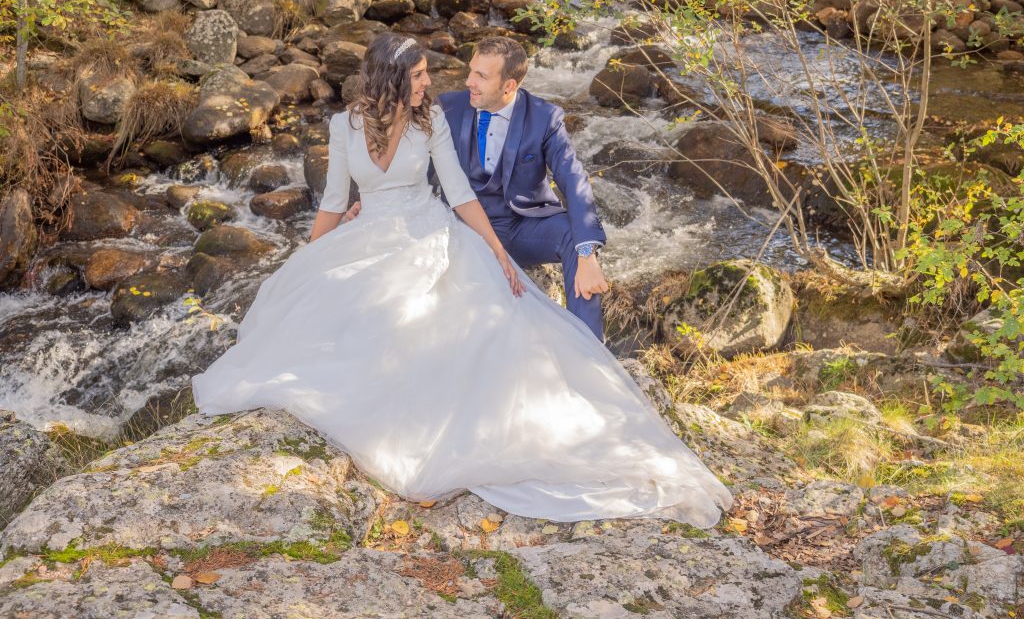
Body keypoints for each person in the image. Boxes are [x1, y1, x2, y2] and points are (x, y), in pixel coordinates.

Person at [192, 33, 732, 527]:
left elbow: (467, 191)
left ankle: (587, 356)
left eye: (458, 74)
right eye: (421, 74)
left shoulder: (454, 120)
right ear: (393, 79)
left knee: (489, 305)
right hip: (375, 232)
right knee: (362, 316)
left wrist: (497, 253)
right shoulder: (349, 125)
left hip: (451, 229)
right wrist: (311, 261)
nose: (438, 81)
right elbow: (335, 201)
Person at [436, 36, 609, 340]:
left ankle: (589, 348)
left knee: (576, 238)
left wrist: (587, 254)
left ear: (509, 86)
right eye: (471, 70)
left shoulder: (544, 118)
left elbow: (573, 178)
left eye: (481, 76)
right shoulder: (448, 108)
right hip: (467, 230)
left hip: (524, 227)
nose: (468, 81)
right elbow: (417, 168)